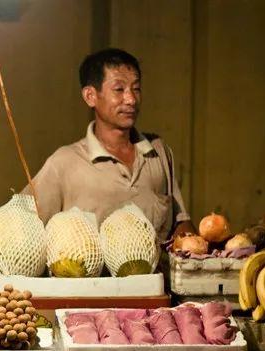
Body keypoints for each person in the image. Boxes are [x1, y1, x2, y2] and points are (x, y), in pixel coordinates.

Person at [23, 48, 195, 240]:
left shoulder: (157, 151)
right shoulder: (64, 163)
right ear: (90, 96)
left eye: (136, 89)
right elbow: (22, 224)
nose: (131, 99)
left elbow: (181, 222)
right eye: (119, 89)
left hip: (155, 271)